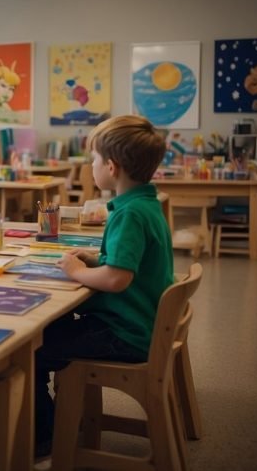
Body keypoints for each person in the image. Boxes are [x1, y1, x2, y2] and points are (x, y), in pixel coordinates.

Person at [36, 115, 173, 459]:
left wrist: (77, 270)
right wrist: (96, 257)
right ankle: (63, 418)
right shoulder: (144, 204)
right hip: (139, 324)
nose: (92, 166)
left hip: (123, 333)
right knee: (50, 331)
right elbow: (126, 263)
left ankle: (44, 436)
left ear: (111, 167)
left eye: (94, 160)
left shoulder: (129, 214)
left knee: (31, 352)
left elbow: (118, 278)